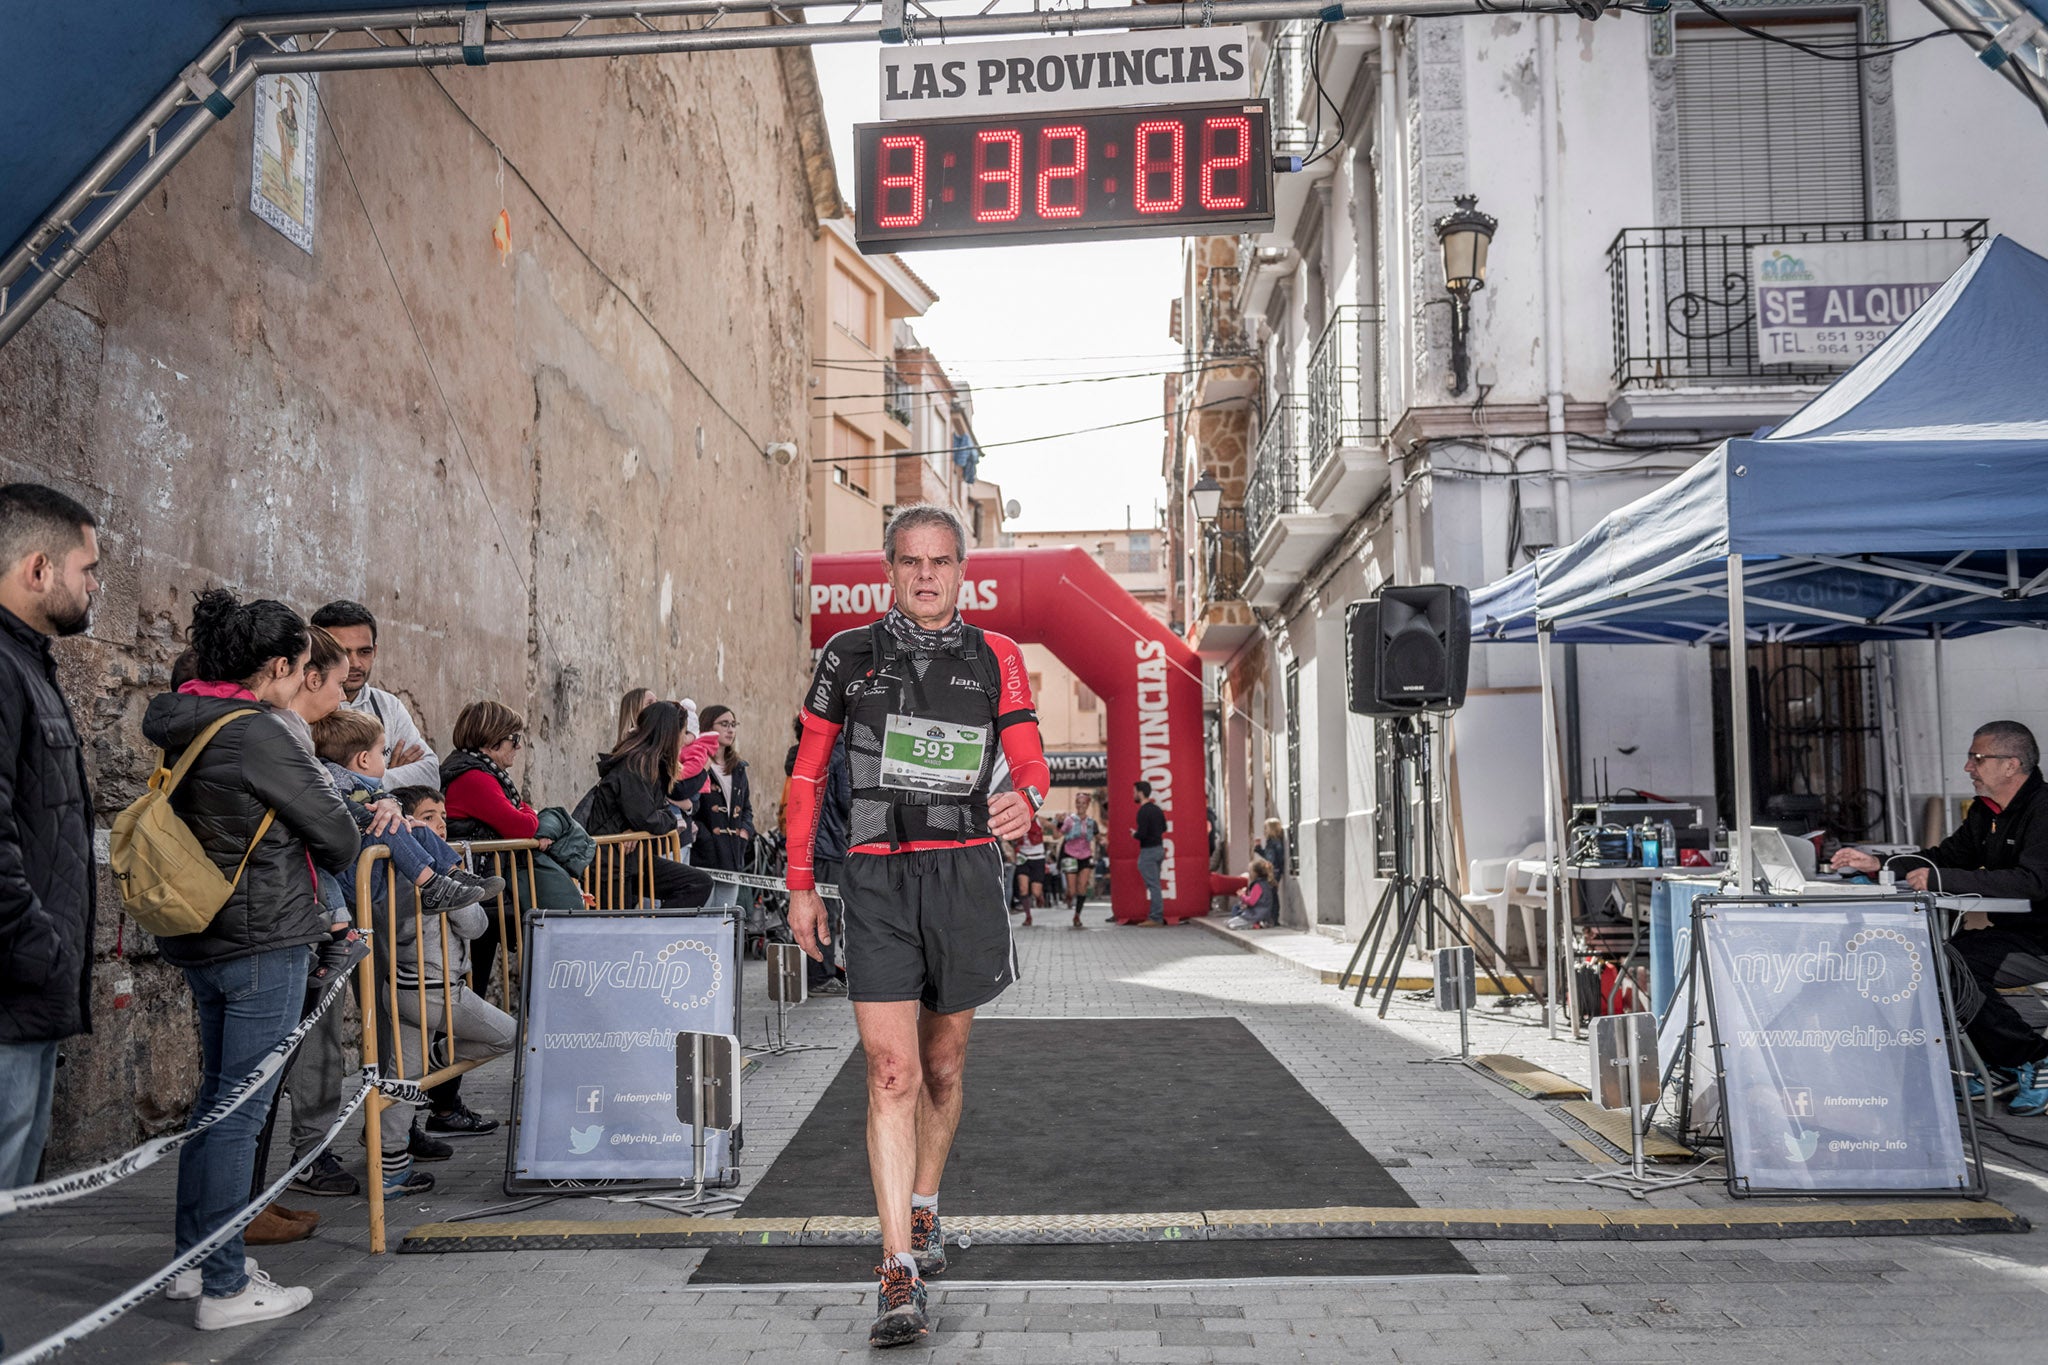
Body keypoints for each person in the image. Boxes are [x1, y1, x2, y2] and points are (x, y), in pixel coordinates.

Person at [785, 504, 1050, 1349]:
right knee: (892, 1072)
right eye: (911, 561)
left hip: (966, 871)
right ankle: (897, 1269)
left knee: (941, 1065)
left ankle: (926, 1207)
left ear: (961, 570)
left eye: (941, 561)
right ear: (890, 567)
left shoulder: (996, 656)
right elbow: (807, 772)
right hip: (875, 877)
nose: (926, 575)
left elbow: (1031, 755)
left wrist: (1029, 799)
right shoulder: (847, 656)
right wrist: (802, 884)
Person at [144, 589, 359, 1329]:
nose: (306, 680)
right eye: (302, 665)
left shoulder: (187, 716)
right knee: (241, 1112)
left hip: (204, 932)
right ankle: (226, 1285)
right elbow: (337, 835)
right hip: (264, 935)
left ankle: (192, 1263)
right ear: (275, 665)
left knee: (215, 1104)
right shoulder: (261, 732)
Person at [1832, 719, 2048, 1113]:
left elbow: (2033, 882)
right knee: (1928, 963)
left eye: (1976, 758)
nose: (1968, 768)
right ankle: (2003, 1063)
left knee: (1953, 968)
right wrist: (1876, 863)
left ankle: (2033, 1056)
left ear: (2010, 765)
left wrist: (1941, 878)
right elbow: (1943, 858)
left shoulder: (2044, 810)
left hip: (2041, 939)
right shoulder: (1987, 812)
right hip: (2013, 933)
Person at [0, 484, 99, 1193]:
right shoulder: (4, 669)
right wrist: (38, 946)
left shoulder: (28, 664)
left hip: (31, 989)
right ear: (38, 569)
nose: (93, 586)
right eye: (86, 569)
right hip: (14, 982)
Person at [434, 700, 578, 1134]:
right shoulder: (474, 777)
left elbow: (521, 818)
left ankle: (443, 1101)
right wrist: (532, 819)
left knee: (469, 994)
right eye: (515, 740)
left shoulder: (480, 773)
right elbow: (523, 827)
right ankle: (441, 1102)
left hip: (484, 899)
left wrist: (527, 816)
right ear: (493, 739)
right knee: (467, 996)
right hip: (475, 901)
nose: (517, 749)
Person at [585, 700, 715, 908]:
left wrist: (640, 826)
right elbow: (649, 818)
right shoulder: (634, 764)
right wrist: (660, 820)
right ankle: (654, 936)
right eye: (683, 732)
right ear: (670, 732)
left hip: (632, 860)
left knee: (697, 883)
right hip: (609, 866)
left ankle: (658, 936)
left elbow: (651, 814)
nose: (684, 740)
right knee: (616, 931)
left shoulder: (650, 765)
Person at [309, 600, 440, 790]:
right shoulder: (306, 709)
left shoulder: (388, 706)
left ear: (375, 651)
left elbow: (430, 773)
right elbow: (315, 785)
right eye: (343, 652)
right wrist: (387, 777)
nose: (355, 663)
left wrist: (378, 780)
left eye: (364, 651)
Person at [784, 714, 852, 992]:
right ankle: (820, 977)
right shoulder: (837, 754)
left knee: (813, 910)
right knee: (826, 912)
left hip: (809, 843)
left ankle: (818, 973)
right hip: (830, 842)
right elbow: (848, 801)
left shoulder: (808, 751)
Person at [691, 704, 756, 872]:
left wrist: (744, 832)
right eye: (724, 724)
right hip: (703, 854)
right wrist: (705, 837)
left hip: (734, 853)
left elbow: (746, 808)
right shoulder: (697, 763)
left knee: (728, 899)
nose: (730, 730)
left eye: (733, 725)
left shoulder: (738, 768)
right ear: (708, 726)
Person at [1057, 792, 1100, 928]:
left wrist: (1104, 841)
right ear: (1076, 804)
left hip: (1085, 856)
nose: (1080, 806)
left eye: (1083, 803)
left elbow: (1098, 837)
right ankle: (1068, 896)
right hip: (1070, 855)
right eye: (1078, 803)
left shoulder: (1091, 823)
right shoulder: (1069, 820)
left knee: (1082, 887)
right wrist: (1056, 823)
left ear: (1087, 805)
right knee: (1072, 890)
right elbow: (1056, 835)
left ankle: (1077, 915)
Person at [1133, 780, 1169, 925]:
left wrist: (1134, 834)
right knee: (1155, 884)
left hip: (1148, 850)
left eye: (1134, 792)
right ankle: (1156, 915)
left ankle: (1155, 917)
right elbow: (1164, 827)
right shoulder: (1157, 809)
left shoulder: (1143, 811)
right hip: (1159, 848)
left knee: (1153, 885)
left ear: (1141, 793)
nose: (1134, 794)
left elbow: (1142, 834)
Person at [1012, 817, 1050, 928]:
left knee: (1036, 892)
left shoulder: (1039, 820)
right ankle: (1028, 916)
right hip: (1023, 858)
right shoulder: (1018, 819)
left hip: (1037, 858)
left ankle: (1039, 895)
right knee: (1023, 888)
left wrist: (1059, 824)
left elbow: (1053, 827)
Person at [1227, 857, 1279, 930]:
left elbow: (1252, 902)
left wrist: (1242, 895)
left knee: (1231, 924)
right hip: (1263, 914)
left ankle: (1256, 924)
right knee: (1230, 922)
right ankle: (1259, 923)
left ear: (1254, 873)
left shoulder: (1258, 885)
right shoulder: (1267, 883)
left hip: (1256, 915)